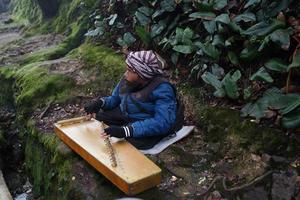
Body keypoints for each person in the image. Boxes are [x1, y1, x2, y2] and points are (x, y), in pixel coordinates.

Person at [84, 50, 179, 150]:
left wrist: (127, 130)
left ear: (141, 74)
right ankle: (124, 127)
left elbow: (162, 122)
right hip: (126, 115)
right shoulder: (128, 79)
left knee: (128, 144)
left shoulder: (163, 89)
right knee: (98, 118)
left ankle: (127, 129)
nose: (125, 74)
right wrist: (101, 102)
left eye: (129, 70)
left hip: (146, 122)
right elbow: (114, 99)